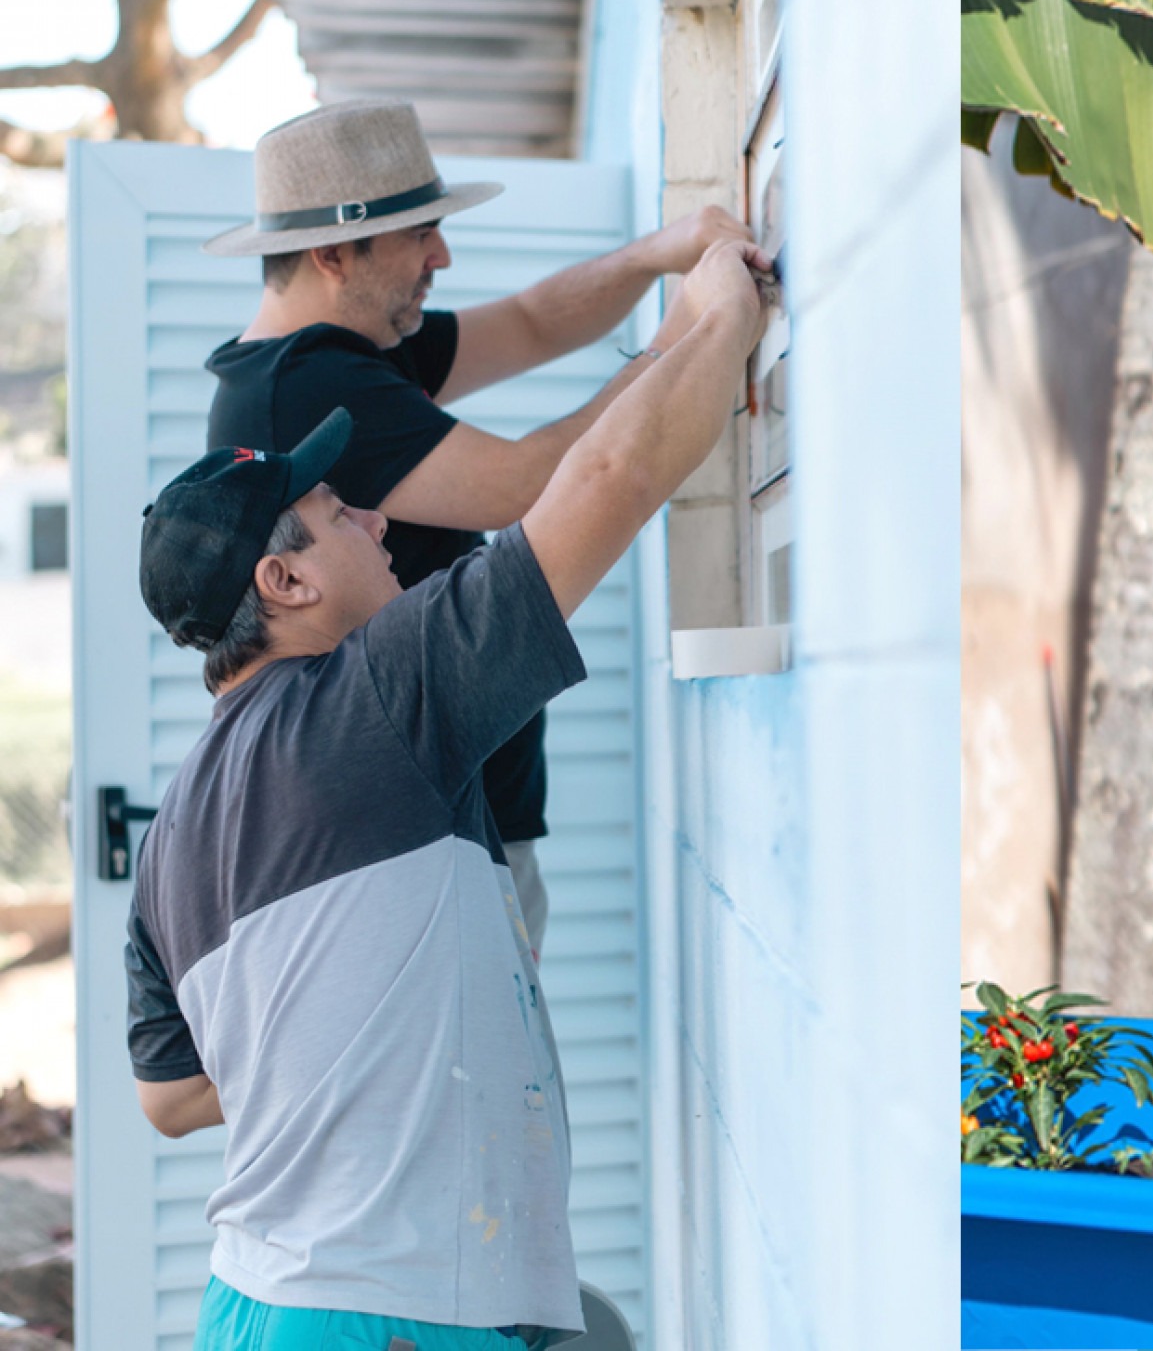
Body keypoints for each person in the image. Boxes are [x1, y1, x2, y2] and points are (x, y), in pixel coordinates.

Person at [125, 236, 770, 1348]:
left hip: (254, 1301)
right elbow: (606, 483)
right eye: (343, 513)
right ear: (283, 581)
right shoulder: (378, 697)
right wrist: (721, 318)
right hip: (387, 1312)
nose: (379, 519)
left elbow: (171, 1096)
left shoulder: (170, 839)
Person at [201, 98, 755, 958]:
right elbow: (529, 486)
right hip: (434, 824)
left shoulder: (344, 347)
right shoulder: (300, 386)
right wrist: (691, 326)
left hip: (462, 802)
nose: (442, 256)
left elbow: (534, 320)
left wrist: (661, 252)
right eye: (419, 234)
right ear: (333, 253)